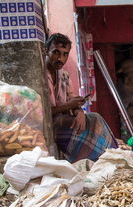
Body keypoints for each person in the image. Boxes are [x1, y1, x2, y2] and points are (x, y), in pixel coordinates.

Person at [46, 33, 118, 163]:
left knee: (94, 118)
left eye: (65, 54)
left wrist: (79, 113)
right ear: (47, 51)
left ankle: (111, 157)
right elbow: (42, 113)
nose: (60, 58)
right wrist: (69, 106)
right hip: (48, 125)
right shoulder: (40, 76)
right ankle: (104, 160)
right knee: (94, 120)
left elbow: (73, 99)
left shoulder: (64, 76)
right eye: (56, 53)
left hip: (62, 121)